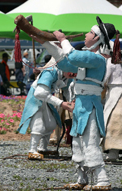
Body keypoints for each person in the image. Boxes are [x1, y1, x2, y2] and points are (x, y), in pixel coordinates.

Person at [30, 16, 116, 190]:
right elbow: (64, 63)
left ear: (98, 39)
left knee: (90, 141)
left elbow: (73, 55)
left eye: (91, 32)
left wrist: (62, 39)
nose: (86, 34)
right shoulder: (88, 58)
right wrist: (45, 43)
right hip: (80, 105)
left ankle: (102, 180)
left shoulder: (97, 59)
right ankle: (82, 178)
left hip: (90, 105)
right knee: (77, 142)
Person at [18, 64, 74, 160]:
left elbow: (67, 90)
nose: (74, 73)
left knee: (50, 124)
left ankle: (42, 148)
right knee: (38, 124)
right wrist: (61, 103)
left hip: (46, 99)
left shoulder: (67, 76)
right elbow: (39, 93)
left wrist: (71, 101)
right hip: (35, 99)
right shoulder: (50, 72)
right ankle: (32, 150)